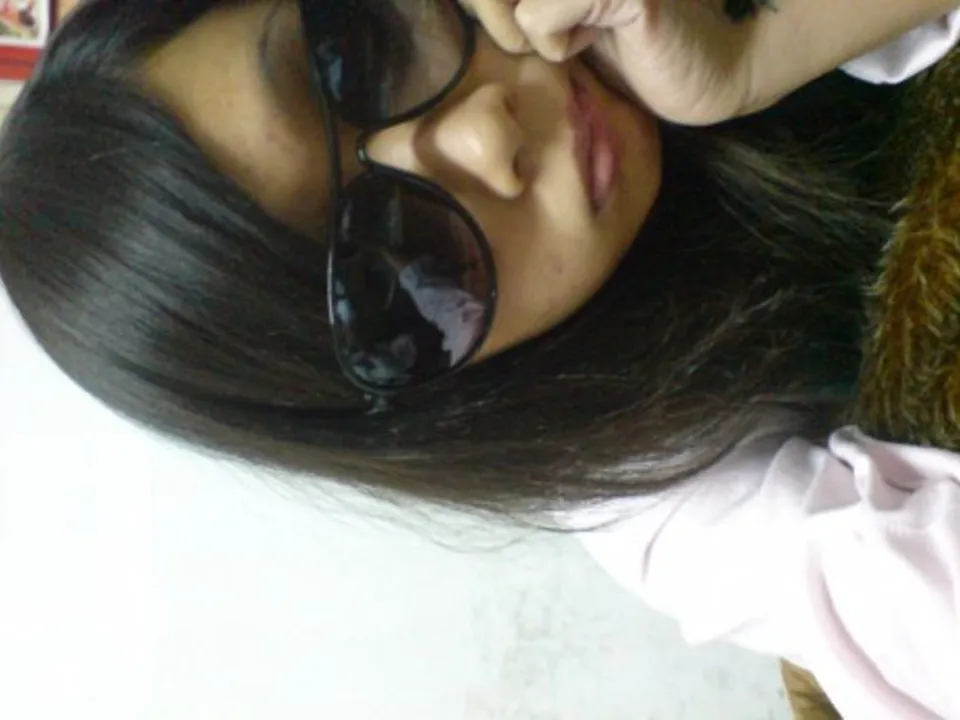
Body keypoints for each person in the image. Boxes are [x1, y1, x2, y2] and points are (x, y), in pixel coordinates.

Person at [0, 1, 958, 717]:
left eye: (355, 53)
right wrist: (754, 59)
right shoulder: (652, 489)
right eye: (386, 279)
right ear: (408, 406)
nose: (485, 134)